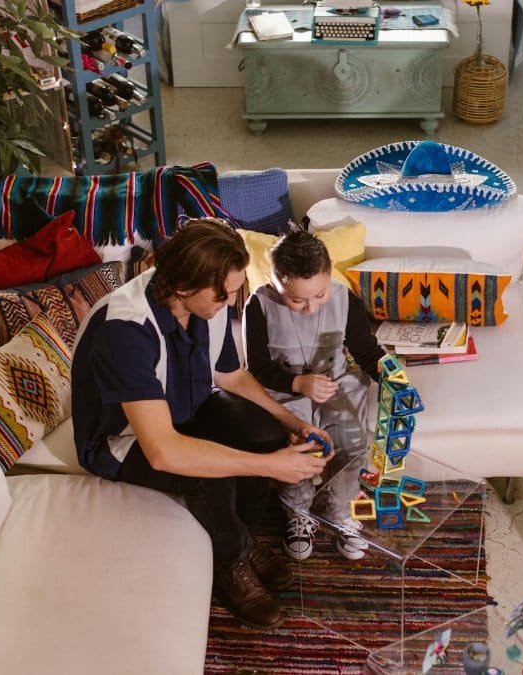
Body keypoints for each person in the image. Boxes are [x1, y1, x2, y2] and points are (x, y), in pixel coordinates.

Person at [71, 218, 334, 630]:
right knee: (207, 477)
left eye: (234, 291)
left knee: (264, 431)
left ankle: (241, 540)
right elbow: (163, 451)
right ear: (182, 287)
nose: (230, 304)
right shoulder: (126, 330)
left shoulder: (206, 302)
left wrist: (288, 420)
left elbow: (229, 375)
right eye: (225, 294)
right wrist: (272, 467)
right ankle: (232, 563)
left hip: (182, 411)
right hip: (121, 440)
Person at [243, 229, 386, 561]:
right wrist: (298, 384)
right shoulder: (258, 306)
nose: (309, 308)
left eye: (319, 295)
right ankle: (298, 512)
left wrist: (392, 375)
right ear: (272, 280)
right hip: (285, 390)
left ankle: (339, 511)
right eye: (296, 299)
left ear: (328, 274)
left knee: (351, 443)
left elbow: (366, 350)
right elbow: (257, 368)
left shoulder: (344, 298)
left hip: (337, 383)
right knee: (301, 445)